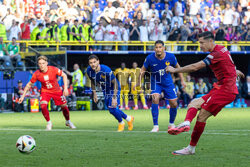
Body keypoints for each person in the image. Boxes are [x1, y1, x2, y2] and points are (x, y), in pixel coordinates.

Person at [166, 31, 245, 155]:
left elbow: (195, 67)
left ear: (210, 41)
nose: (200, 45)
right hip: (220, 87)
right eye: (199, 43)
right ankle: (186, 123)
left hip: (226, 90)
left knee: (202, 115)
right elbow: (228, 63)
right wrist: (235, 71)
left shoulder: (215, 54)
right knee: (194, 103)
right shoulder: (222, 49)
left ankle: (190, 148)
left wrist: (175, 69)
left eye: (202, 43)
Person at [137, 40, 185, 132]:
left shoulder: (171, 56)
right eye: (156, 47)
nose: (158, 49)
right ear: (154, 48)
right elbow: (143, 69)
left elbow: (178, 68)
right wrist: (139, 81)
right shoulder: (150, 58)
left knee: (174, 103)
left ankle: (171, 123)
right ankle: (155, 126)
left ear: (163, 48)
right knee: (155, 98)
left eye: (160, 47)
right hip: (155, 82)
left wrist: (182, 80)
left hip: (168, 83)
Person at [19, 56, 76, 130]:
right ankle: (49, 123)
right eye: (39, 63)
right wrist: (23, 96)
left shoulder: (53, 69)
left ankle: (68, 121)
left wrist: (65, 88)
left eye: (43, 63)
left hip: (57, 90)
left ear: (46, 63)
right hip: (45, 91)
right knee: (43, 106)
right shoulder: (37, 74)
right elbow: (28, 84)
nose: (41, 65)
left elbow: (64, 75)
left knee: (64, 106)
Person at [87, 55, 134, 132]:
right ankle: (129, 118)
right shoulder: (89, 71)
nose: (93, 64)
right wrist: (94, 93)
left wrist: (114, 98)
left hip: (114, 87)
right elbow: (92, 81)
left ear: (98, 61)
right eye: (91, 63)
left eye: (94, 62)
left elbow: (115, 83)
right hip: (105, 89)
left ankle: (121, 123)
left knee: (112, 108)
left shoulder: (106, 70)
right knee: (111, 109)